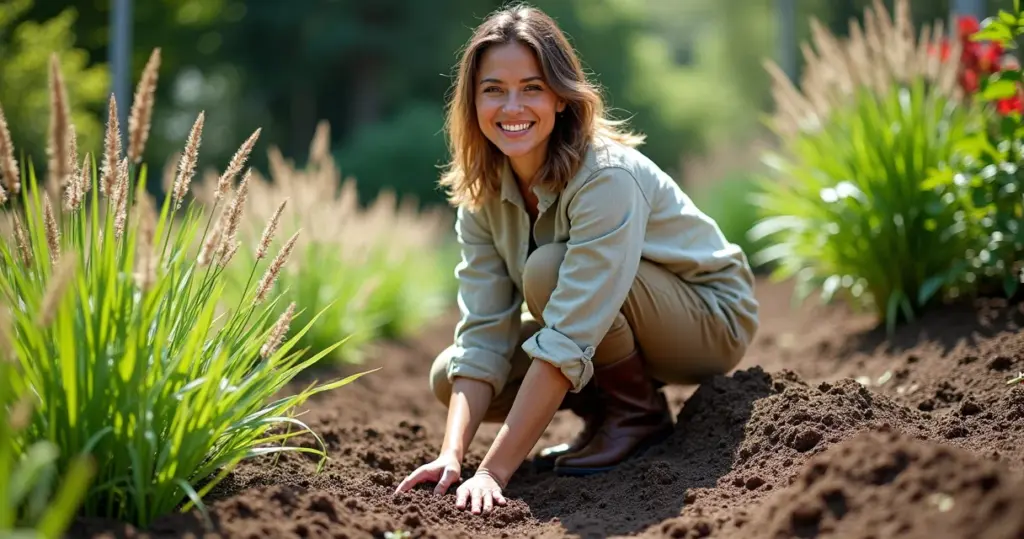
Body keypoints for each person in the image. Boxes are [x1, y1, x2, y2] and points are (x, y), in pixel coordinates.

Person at [394, 3, 759, 516]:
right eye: (493, 89)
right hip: (611, 320)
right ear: (472, 102)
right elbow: (482, 332)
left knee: (549, 273)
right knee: (447, 374)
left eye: (532, 87)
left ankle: (638, 417)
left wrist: (492, 472)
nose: (512, 105)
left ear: (562, 98)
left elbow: (570, 329)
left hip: (707, 318)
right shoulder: (482, 195)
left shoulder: (605, 176)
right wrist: (452, 456)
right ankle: (610, 410)